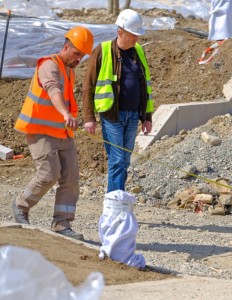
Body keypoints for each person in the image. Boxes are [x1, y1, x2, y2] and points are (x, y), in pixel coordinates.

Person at [13, 26, 94, 240]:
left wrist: (68, 118)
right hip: (40, 131)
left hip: (61, 132)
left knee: (70, 177)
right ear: (66, 47)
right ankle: (21, 206)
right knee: (49, 174)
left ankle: (62, 224)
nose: (79, 59)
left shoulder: (69, 69)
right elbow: (52, 89)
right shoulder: (49, 65)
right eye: (77, 53)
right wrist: (66, 113)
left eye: (82, 55)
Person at [82, 9, 154, 193]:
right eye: (133, 35)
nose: (136, 39)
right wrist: (89, 117)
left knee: (125, 160)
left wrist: (147, 117)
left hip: (132, 116)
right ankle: (114, 204)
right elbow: (88, 85)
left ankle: (117, 198)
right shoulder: (103, 50)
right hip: (112, 115)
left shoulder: (138, 51)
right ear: (120, 31)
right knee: (117, 160)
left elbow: (146, 86)